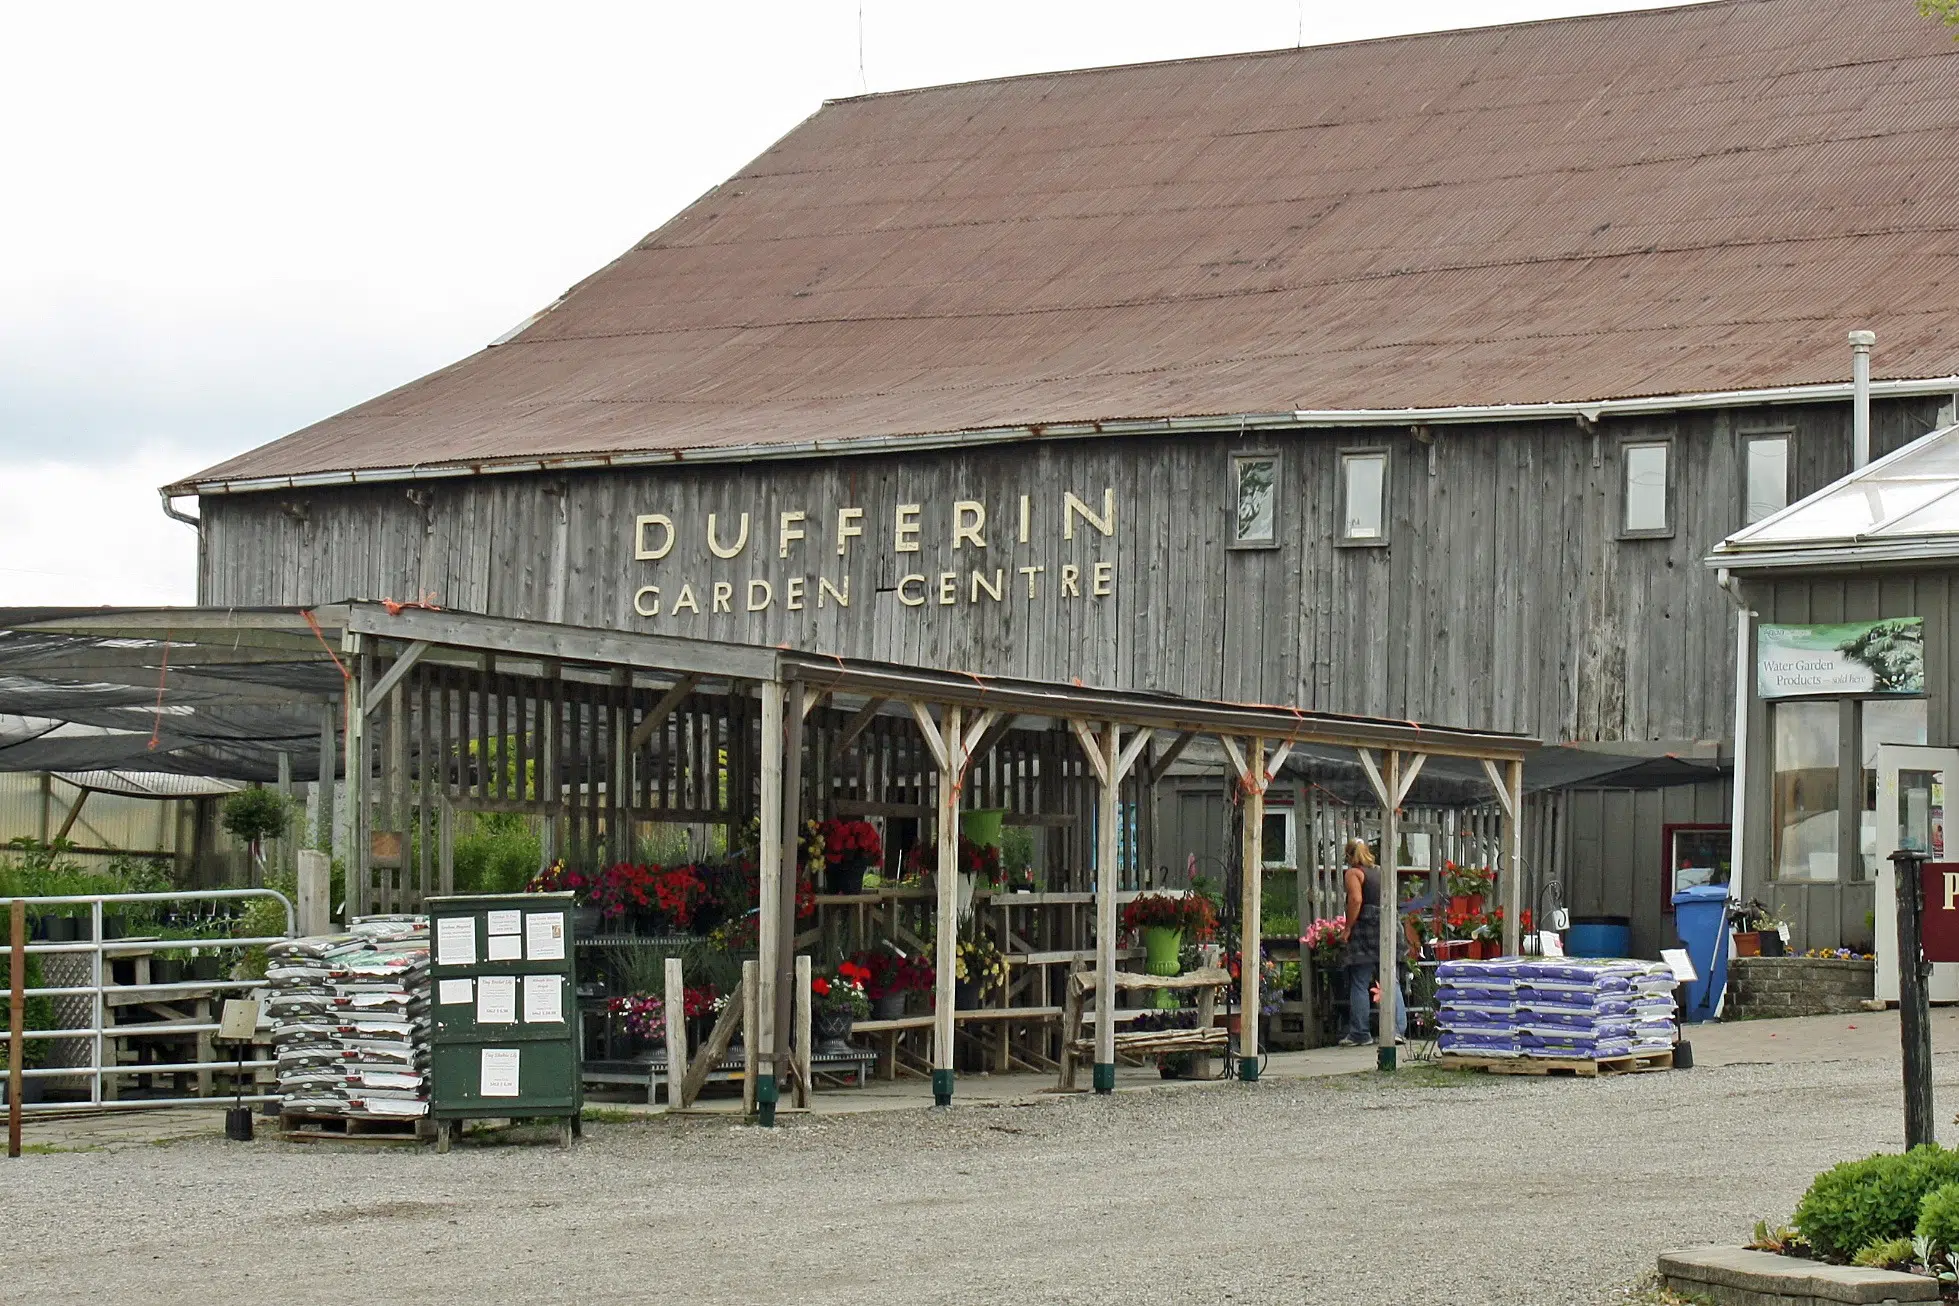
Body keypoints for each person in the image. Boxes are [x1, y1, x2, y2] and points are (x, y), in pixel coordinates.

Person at [1340, 836, 1407, 1047]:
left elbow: (1356, 900)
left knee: (1360, 980)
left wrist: (1348, 927)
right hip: (1390, 924)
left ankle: (1360, 1033)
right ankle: (1396, 1030)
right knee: (1391, 979)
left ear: (1349, 855)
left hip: (1366, 927)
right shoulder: (1381, 871)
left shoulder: (1353, 873)